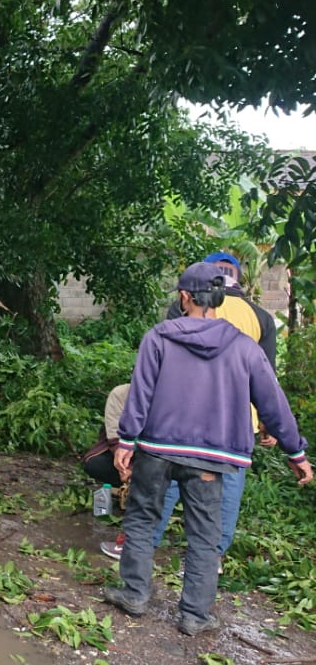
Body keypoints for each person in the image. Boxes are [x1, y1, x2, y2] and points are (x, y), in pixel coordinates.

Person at [103, 262, 311, 637]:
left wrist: (127, 440)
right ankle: (195, 616)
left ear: (185, 296)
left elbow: (140, 393)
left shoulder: (159, 337)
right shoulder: (244, 347)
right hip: (210, 460)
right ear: (217, 298)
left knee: (141, 519)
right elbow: (273, 402)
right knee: (203, 536)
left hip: (156, 449)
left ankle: (134, 594)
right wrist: (296, 453)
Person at [150, 251, 279, 569]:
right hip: (234, 423)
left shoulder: (184, 306)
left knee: (168, 479)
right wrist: (267, 422)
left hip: (180, 413)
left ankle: (145, 542)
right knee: (228, 487)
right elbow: (267, 376)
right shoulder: (259, 315)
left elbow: (163, 358)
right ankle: (213, 555)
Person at [90, 384, 129, 559]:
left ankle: (132, 543)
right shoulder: (121, 394)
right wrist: (126, 467)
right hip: (127, 451)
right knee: (96, 464)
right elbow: (114, 437)